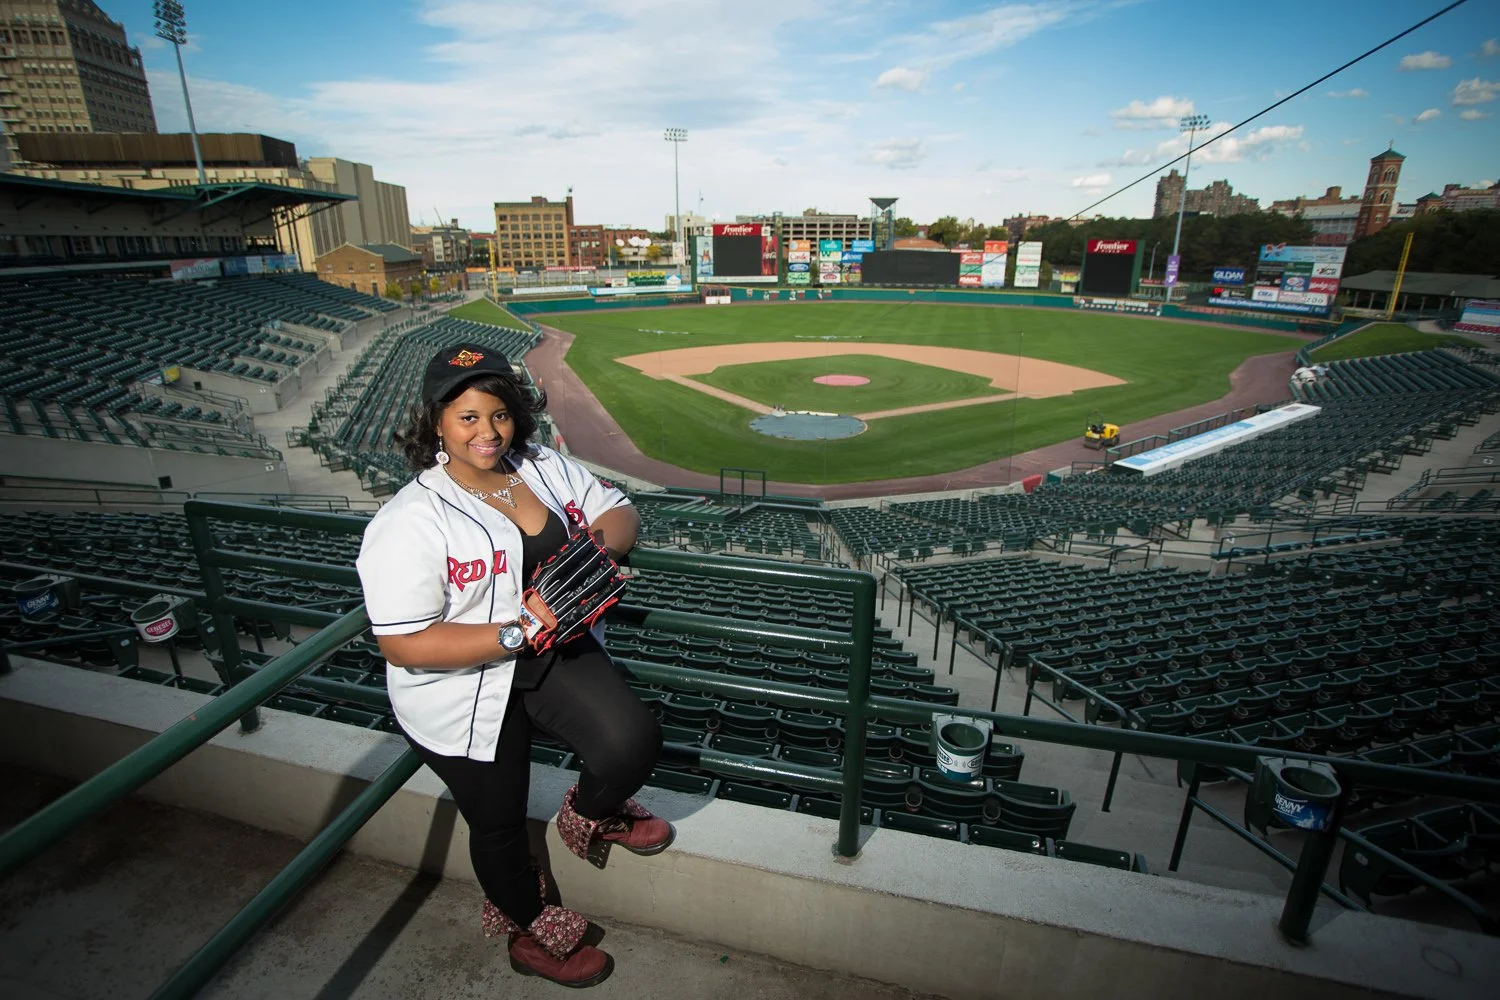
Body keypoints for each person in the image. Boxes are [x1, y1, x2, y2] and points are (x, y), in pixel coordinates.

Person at [355, 343, 669, 989]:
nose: (488, 432)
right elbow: (404, 644)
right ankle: (528, 926)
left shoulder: (540, 463)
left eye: (498, 414)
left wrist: (588, 557)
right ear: (436, 422)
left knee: (632, 743)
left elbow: (620, 512)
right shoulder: (407, 519)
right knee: (499, 823)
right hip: (460, 687)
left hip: (551, 656)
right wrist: (515, 631)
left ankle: (588, 814)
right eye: (467, 417)